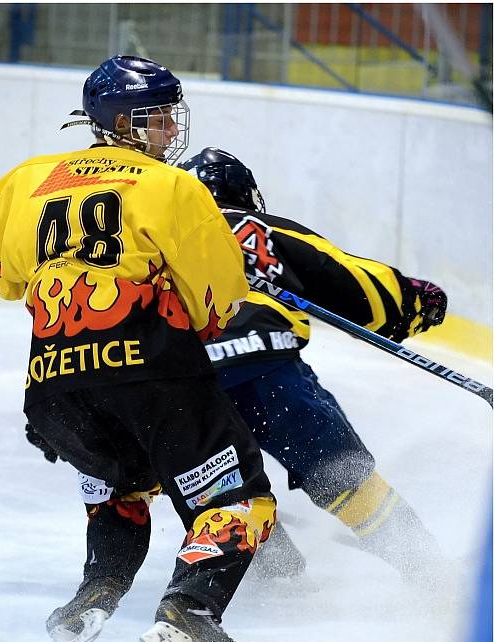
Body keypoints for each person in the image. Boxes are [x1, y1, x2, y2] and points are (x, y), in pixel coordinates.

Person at [0, 58, 277, 642]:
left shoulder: (25, 181)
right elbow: (218, 304)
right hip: (155, 376)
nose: (166, 128)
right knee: (239, 499)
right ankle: (190, 612)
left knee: (120, 483)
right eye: (152, 115)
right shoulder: (172, 188)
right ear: (117, 122)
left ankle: (95, 592)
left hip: (53, 386)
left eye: (169, 114)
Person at [178, 148, 448, 584]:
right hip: (267, 369)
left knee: (222, 488)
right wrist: (413, 302)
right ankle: (429, 575)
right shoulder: (259, 227)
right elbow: (347, 279)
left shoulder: (159, 239)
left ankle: (278, 574)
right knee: (346, 478)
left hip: (187, 382)